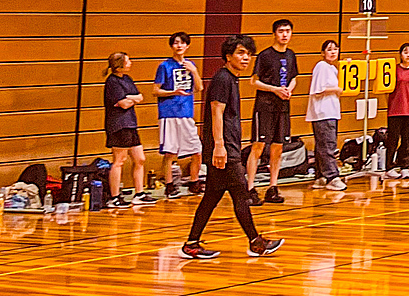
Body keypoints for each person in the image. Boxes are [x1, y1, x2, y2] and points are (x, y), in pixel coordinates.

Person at [181, 35, 285, 261]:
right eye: (240, 53)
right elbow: (216, 111)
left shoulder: (231, 78)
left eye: (248, 53)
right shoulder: (222, 79)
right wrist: (219, 146)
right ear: (228, 57)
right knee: (241, 194)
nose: (246, 58)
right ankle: (256, 242)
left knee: (211, 197)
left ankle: (191, 243)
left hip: (227, 147)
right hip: (224, 150)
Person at [247, 17, 298, 204]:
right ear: (274, 34)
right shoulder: (265, 55)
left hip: (283, 108)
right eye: (281, 31)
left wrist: (289, 89)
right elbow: (254, 81)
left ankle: (272, 187)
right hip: (265, 107)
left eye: (287, 31)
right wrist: (274, 89)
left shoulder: (291, 55)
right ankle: (250, 188)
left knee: (278, 148)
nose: (284, 34)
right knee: (258, 147)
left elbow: (294, 78)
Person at [102, 52, 156, 206]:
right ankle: (114, 197)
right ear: (119, 64)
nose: (130, 63)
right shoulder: (112, 82)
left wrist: (130, 98)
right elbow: (124, 103)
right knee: (119, 160)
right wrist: (132, 99)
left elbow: (140, 97)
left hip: (131, 123)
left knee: (140, 159)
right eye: (128, 61)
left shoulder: (127, 79)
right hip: (118, 124)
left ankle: (139, 194)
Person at [153, 31, 202, 198]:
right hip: (169, 113)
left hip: (187, 113)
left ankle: (194, 183)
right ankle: (169, 185)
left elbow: (199, 88)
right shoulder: (164, 66)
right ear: (171, 46)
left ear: (187, 46)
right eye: (176, 43)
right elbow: (155, 91)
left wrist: (194, 71)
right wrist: (173, 92)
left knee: (197, 150)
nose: (179, 46)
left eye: (182, 43)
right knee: (170, 152)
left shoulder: (190, 65)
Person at [307, 39, 346, 189]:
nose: (333, 52)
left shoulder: (333, 69)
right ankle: (332, 177)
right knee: (328, 145)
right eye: (329, 49)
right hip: (323, 113)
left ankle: (321, 176)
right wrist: (336, 89)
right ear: (323, 53)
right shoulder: (321, 66)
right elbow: (319, 89)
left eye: (335, 49)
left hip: (330, 112)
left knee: (322, 146)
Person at [387, 41, 409, 176]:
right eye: (406, 52)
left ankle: (405, 166)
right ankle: (389, 167)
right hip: (395, 110)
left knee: (407, 140)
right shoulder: (393, 70)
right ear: (400, 54)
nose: (408, 55)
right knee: (393, 140)